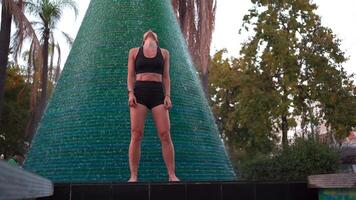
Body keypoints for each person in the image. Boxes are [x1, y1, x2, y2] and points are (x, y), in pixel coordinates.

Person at [127, 29, 180, 182]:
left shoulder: (164, 53)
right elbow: (130, 75)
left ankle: (171, 175)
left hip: (158, 93)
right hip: (140, 92)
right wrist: (130, 93)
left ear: (156, 40)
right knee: (136, 134)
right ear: (143, 40)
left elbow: (166, 76)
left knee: (165, 134)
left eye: (153, 33)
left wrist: (168, 96)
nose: (150, 31)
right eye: (147, 33)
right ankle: (133, 176)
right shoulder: (134, 52)